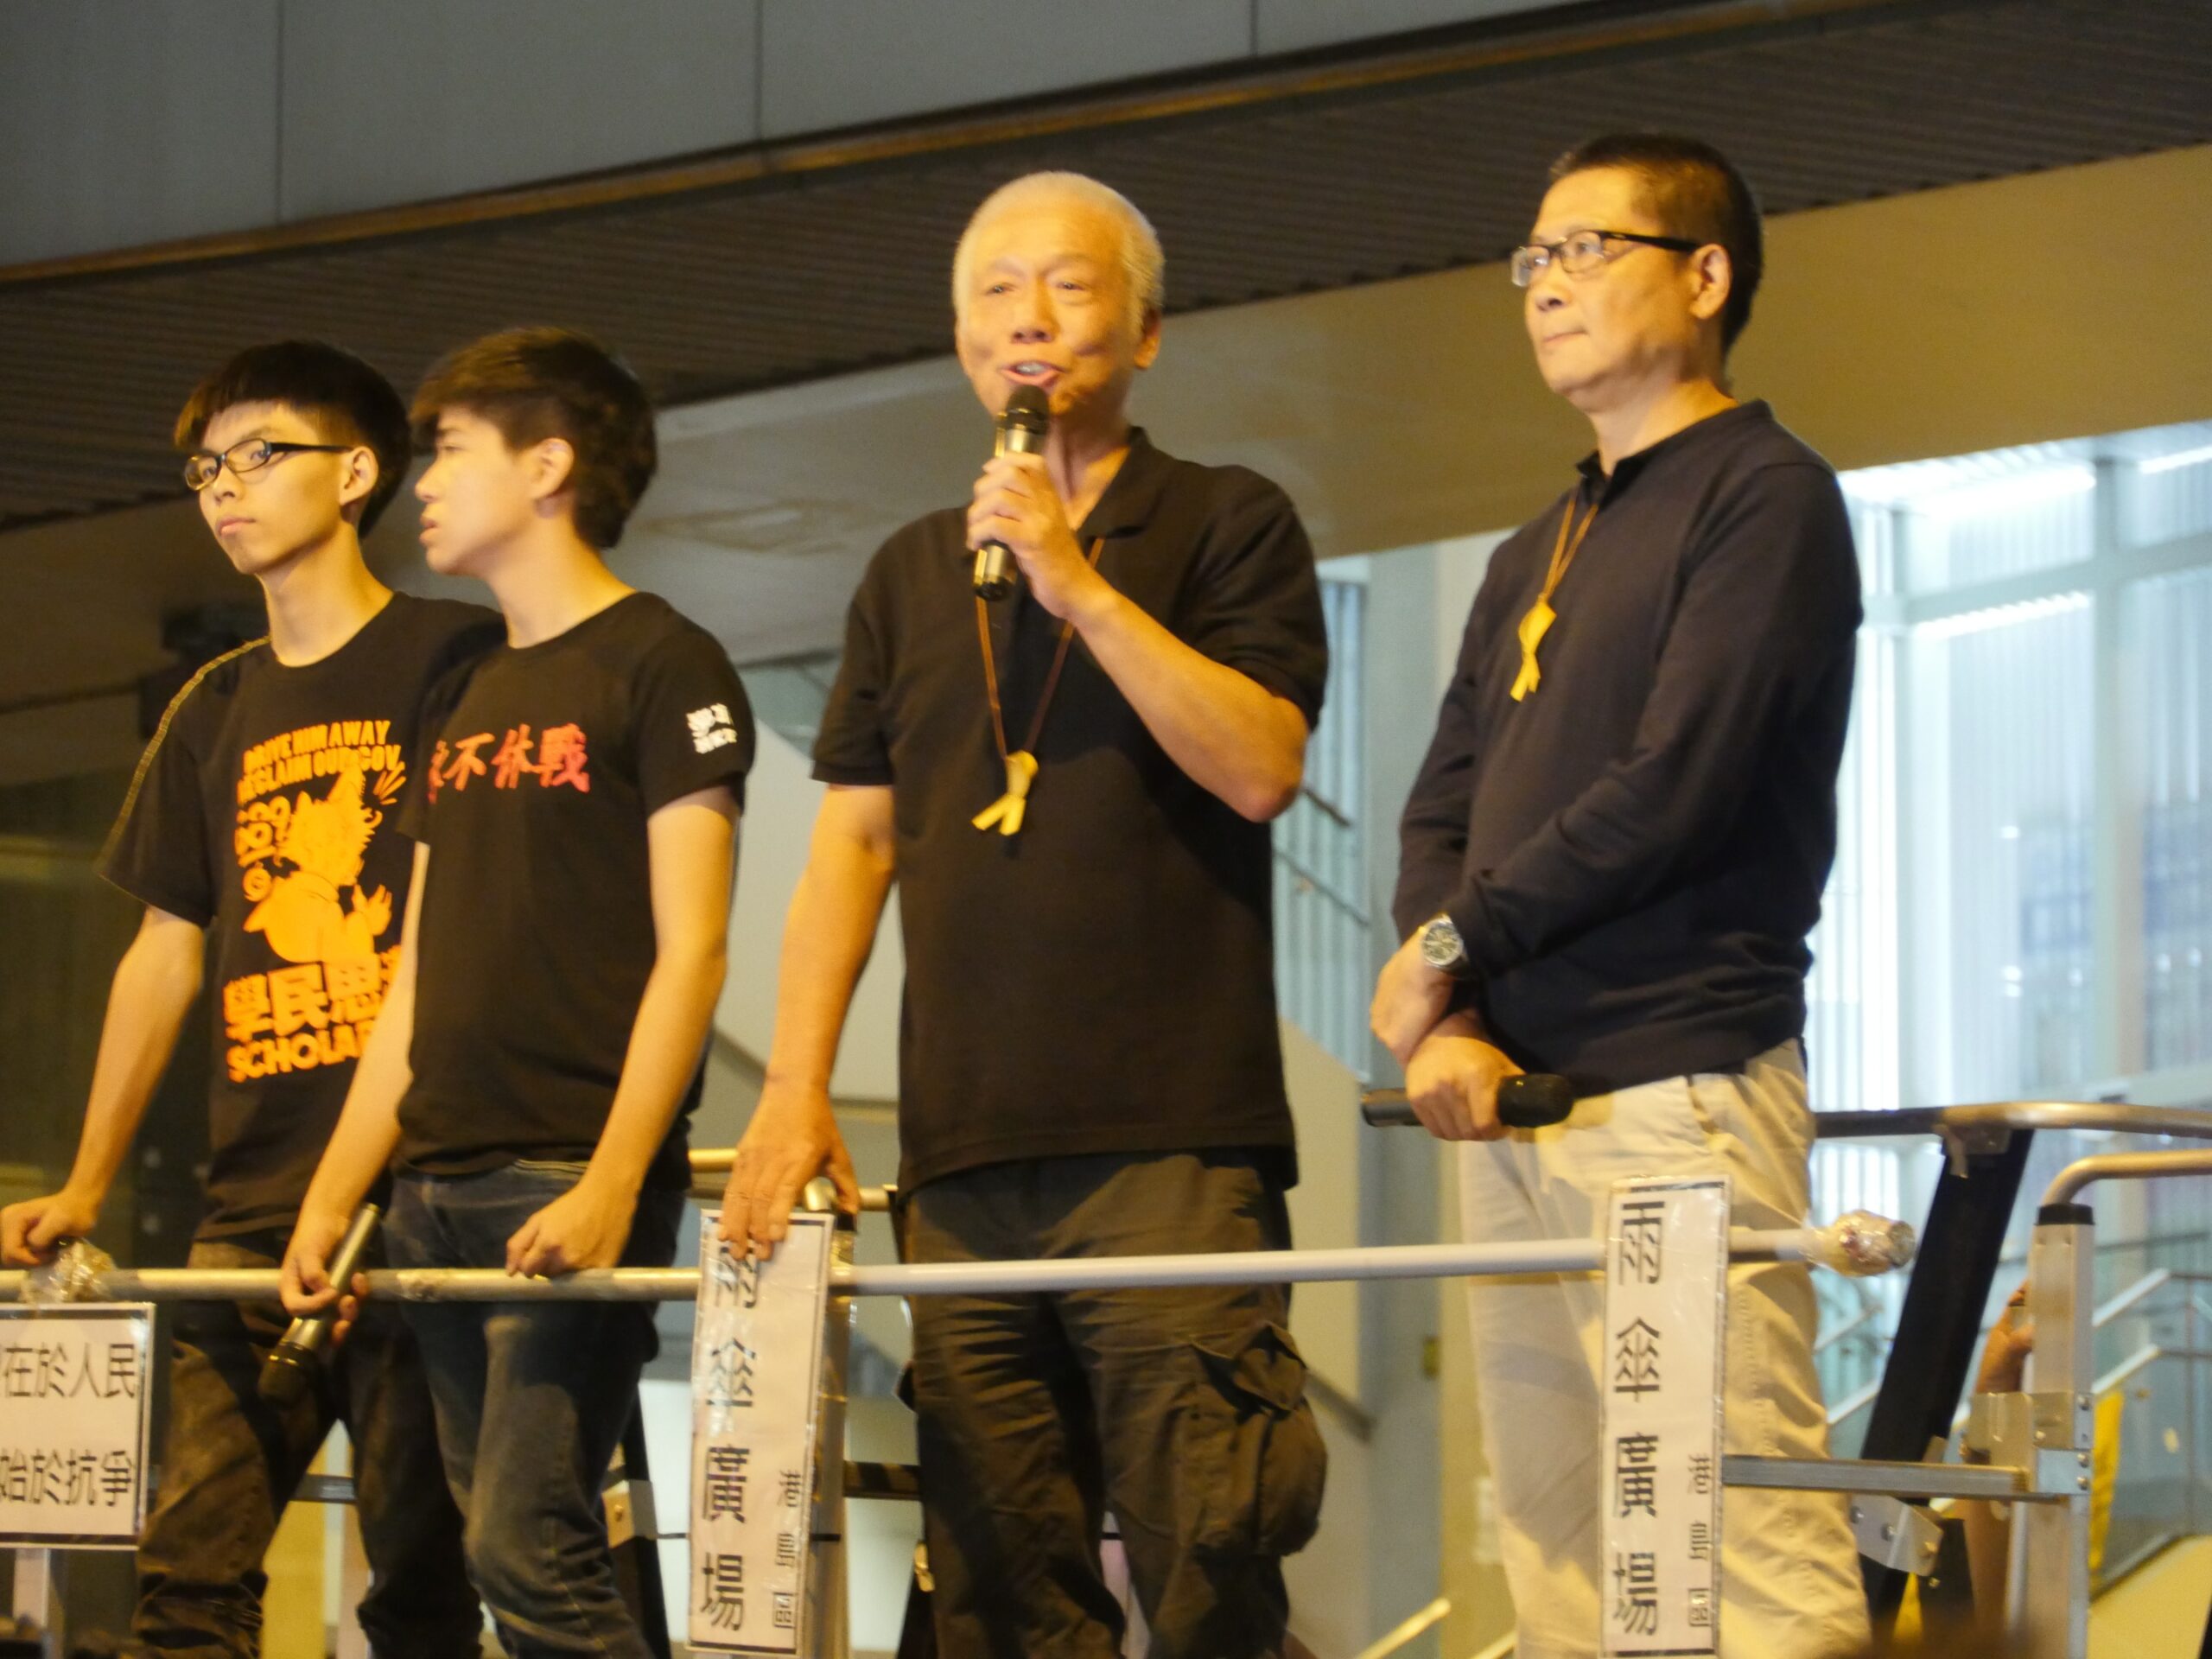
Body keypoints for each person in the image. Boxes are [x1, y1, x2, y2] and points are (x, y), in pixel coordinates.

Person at [717, 171, 1331, 1657]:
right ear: (960, 339)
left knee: (1209, 1563)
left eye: (1066, 286)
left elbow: (1260, 769)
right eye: (995, 292)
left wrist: (1079, 585)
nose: (1028, 319)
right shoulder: (909, 570)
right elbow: (851, 848)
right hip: (962, 1156)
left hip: (1168, 1144)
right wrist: (793, 1091)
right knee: (995, 1583)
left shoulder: (1225, 520)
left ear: (1146, 330)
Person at [1373, 134, 1872, 1657]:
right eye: (1532, 258)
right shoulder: (1542, 535)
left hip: (1675, 1081)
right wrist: (1443, 1018)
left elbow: (1681, 782)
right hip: (1508, 1101)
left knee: (1737, 1541)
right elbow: (1444, 795)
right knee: (1556, 1553)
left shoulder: (1766, 494)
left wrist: (1456, 942)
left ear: (1706, 276)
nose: (1547, 286)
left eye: (1589, 248)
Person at [1, 340, 490, 1658]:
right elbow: (163, 951)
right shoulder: (215, 704)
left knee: (419, 1591)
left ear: (359, 471)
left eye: (261, 455)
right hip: (243, 1213)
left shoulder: (458, 658)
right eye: (206, 467)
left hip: (413, 1207)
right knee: (187, 1579)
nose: (225, 489)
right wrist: (87, 1181)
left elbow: (474, 932)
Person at [280, 327, 754, 1659]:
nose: (420, 483)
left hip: (563, 1177)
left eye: (449, 451)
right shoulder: (467, 687)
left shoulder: (667, 662)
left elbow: (695, 953)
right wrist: (336, 1190)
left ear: (547, 465)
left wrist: (613, 1182)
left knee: (524, 1546)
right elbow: (417, 972)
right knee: (492, 1549)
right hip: (431, 1186)